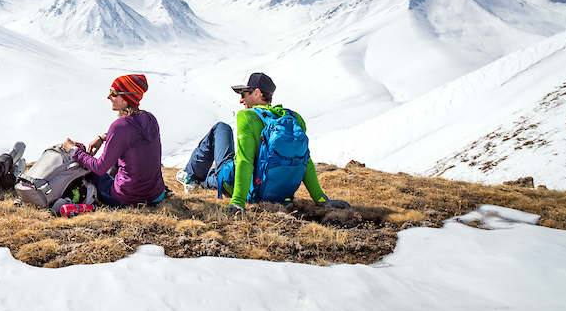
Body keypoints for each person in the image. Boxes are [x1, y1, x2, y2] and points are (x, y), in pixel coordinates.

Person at [178, 72, 350, 218]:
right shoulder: (294, 118)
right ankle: (196, 176)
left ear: (258, 93)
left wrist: (237, 202)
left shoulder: (248, 117)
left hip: (245, 186)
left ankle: (191, 178)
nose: (240, 100)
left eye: (244, 94)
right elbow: (306, 162)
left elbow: (245, 162)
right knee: (213, 171)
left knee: (221, 129)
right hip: (279, 192)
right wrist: (321, 199)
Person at [60, 74, 167, 206]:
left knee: (89, 171)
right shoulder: (150, 119)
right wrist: (103, 137)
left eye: (114, 93)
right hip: (156, 195)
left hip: (128, 198)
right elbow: (132, 136)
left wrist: (74, 151)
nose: (109, 97)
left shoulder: (120, 126)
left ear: (127, 97)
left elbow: (100, 167)